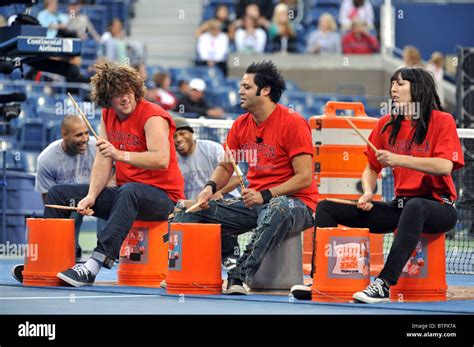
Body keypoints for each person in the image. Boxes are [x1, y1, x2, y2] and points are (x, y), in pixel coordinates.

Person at [291, 67, 464, 303]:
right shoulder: (386, 124)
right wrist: (368, 191)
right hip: (401, 208)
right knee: (326, 208)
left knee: (415, 206)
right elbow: (371, 167)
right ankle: (320, 281)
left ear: (418, 88)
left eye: (401, 84)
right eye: (392, 83)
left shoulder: (442, 121)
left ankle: (383, 284)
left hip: (439, 207)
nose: (393, 88)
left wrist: (398, 159)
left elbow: (444, 166)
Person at [13, 62, 185, 287]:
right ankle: (48, 261)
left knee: (128, 190)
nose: (124, 98)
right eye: (116, 94)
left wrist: (120, 155)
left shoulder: (153, 116)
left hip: (164, 199)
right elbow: (103, 159)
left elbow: (161, 159)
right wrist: (92, 195)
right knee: (59, 194)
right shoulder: (108, 115)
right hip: (127, 196)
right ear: (107, 98)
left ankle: (93, 265)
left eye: (127, 91)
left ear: (135, 89)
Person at [173, 61, 317, 295]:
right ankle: (183, 272)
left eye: (247, 87)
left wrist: (265, 195)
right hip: (254, 203)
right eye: (240, 86)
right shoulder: (240, 125)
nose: (240, 91)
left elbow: (304, 178)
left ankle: (239, 275)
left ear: (266, 90)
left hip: (297, 205)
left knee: (277, 206)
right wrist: (210, 187)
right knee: (190, 209)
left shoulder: (293, 123)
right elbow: (226, 167)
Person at [35, 115, 108, 261]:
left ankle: (105, 251)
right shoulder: (47, 159)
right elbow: (49, 201)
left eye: (86, 133)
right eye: (79, 135)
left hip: (95, 193)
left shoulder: (97, 148)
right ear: (64, 135)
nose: (85, 139)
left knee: (113, 196)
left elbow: (113, 174)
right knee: (67, 252)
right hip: (70, 205)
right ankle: (70, 250)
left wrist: (94, 196)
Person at [173, 117, 241, 268]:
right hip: (194, 204)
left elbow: (237, 179)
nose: (178, 139)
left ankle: (231, 258)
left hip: (224, 196)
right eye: (173, 136)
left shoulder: (212, 148)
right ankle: (182, 263)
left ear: (192, 134)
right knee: (176, 215)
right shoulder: (172, 160)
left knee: (217, 207)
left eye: (182, 133)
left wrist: (217, 191)